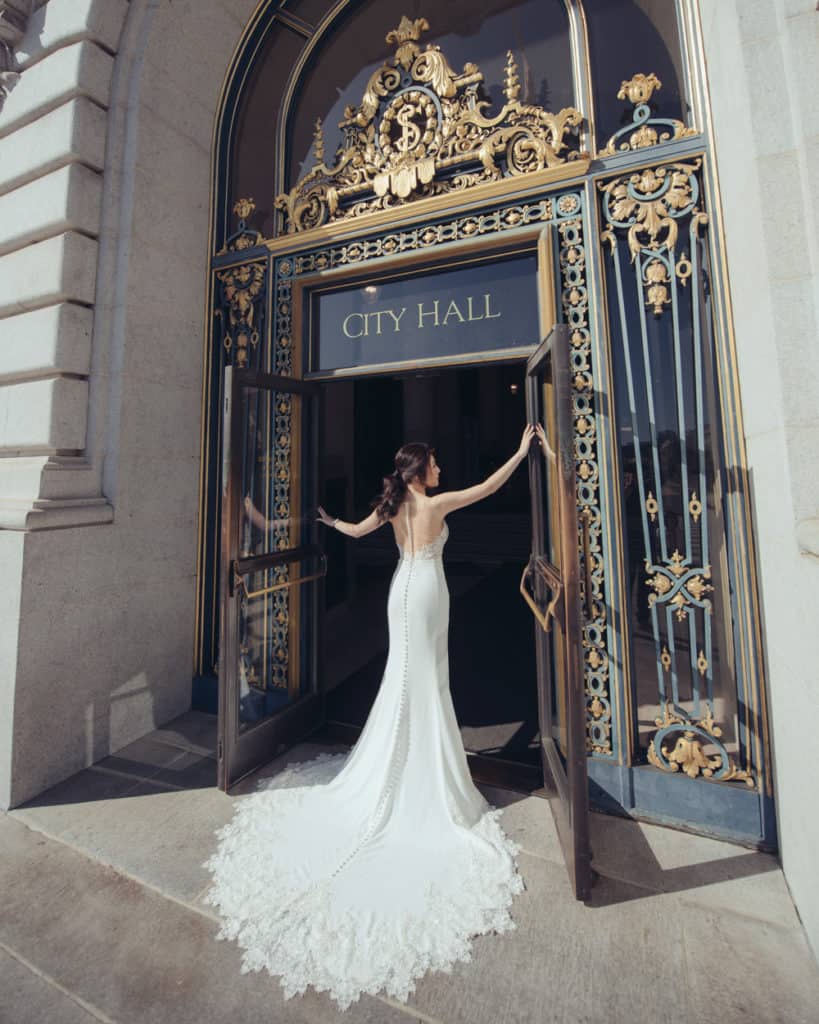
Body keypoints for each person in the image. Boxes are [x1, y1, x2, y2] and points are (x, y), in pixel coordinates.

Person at [202, 421, 545, 1011]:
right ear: (419, 472)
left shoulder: (390, 509)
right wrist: (520, 449)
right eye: (434, 463)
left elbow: (356, 530)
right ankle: (422, 776)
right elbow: (490, 487)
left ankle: (399, 758)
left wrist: (327, 521)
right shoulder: (433, 505)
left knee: (403, 679)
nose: (440, 470)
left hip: (399, 593)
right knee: (427, 682)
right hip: (429, 594)